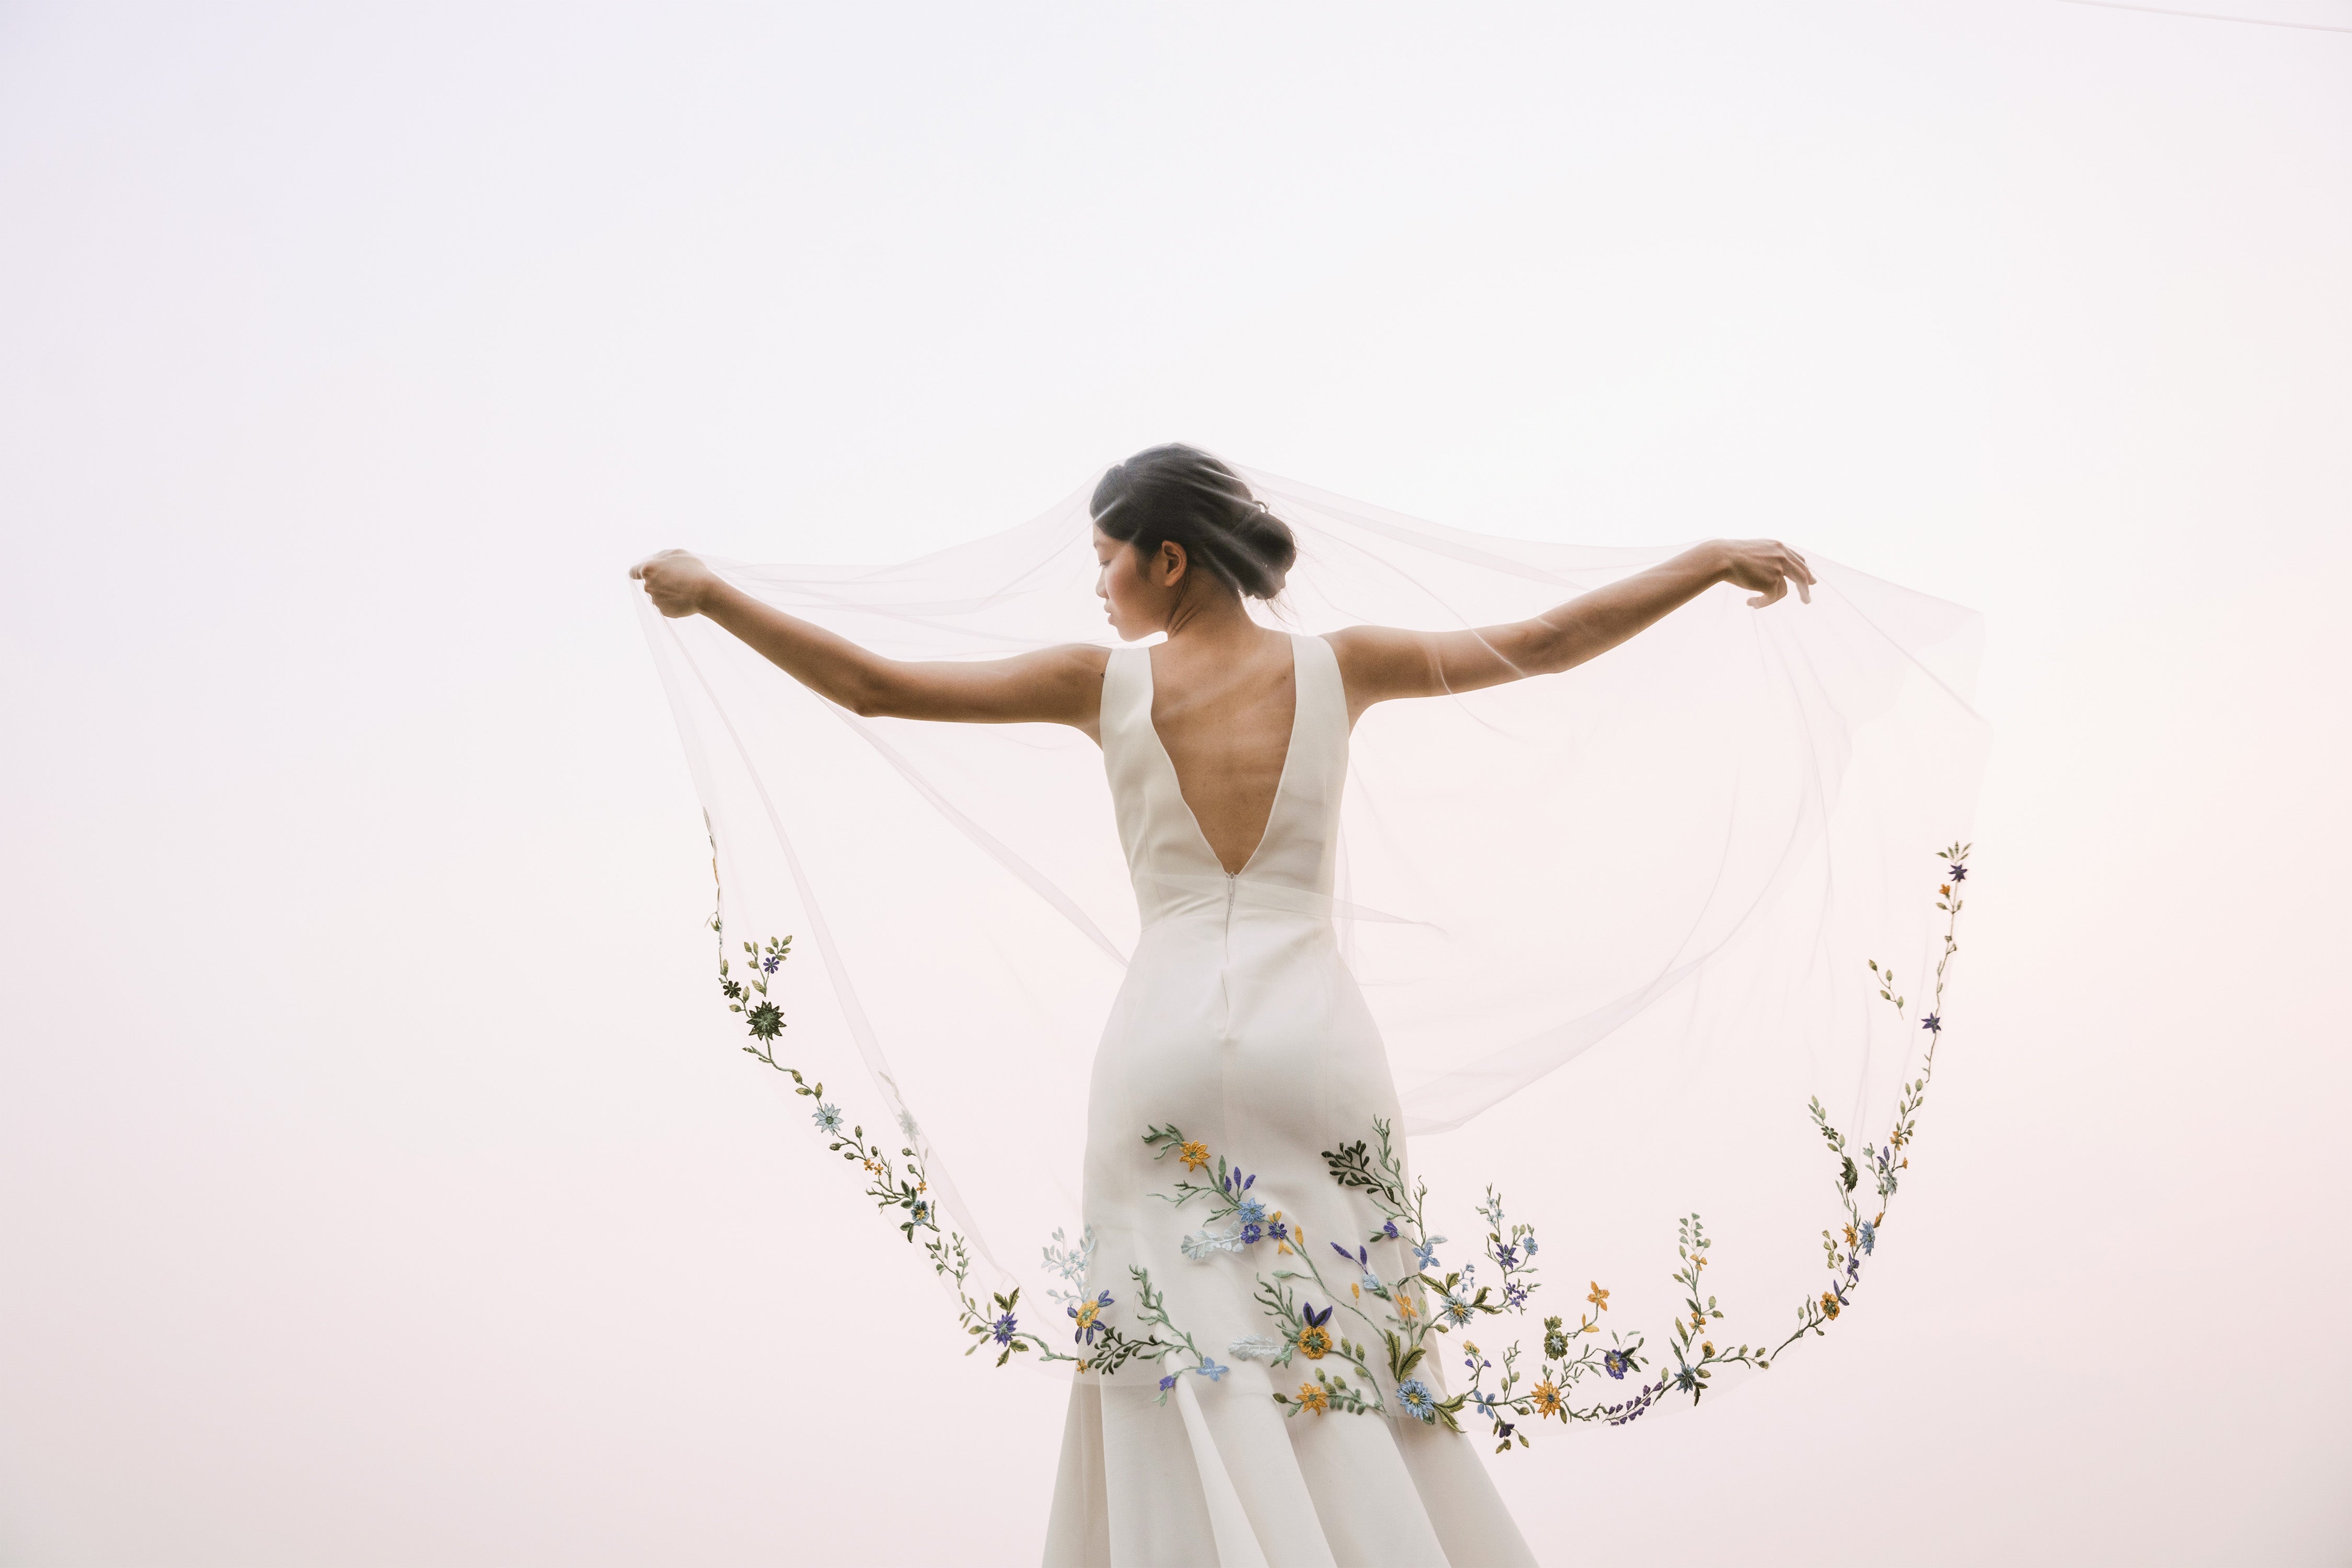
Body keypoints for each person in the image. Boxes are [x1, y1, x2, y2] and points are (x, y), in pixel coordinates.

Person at [632, 444, 1816, 1566]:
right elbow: (1545, 644)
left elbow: (874, 687)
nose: (1098, 583)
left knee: (1175, 1359)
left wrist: (712, 595)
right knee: (1348, 1356)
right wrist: (1708, 560)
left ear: (1169, 559)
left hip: (1166, 1045)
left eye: (1107, 558)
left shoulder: (1099, 685)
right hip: (1318, 1046)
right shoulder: (1345, 666)